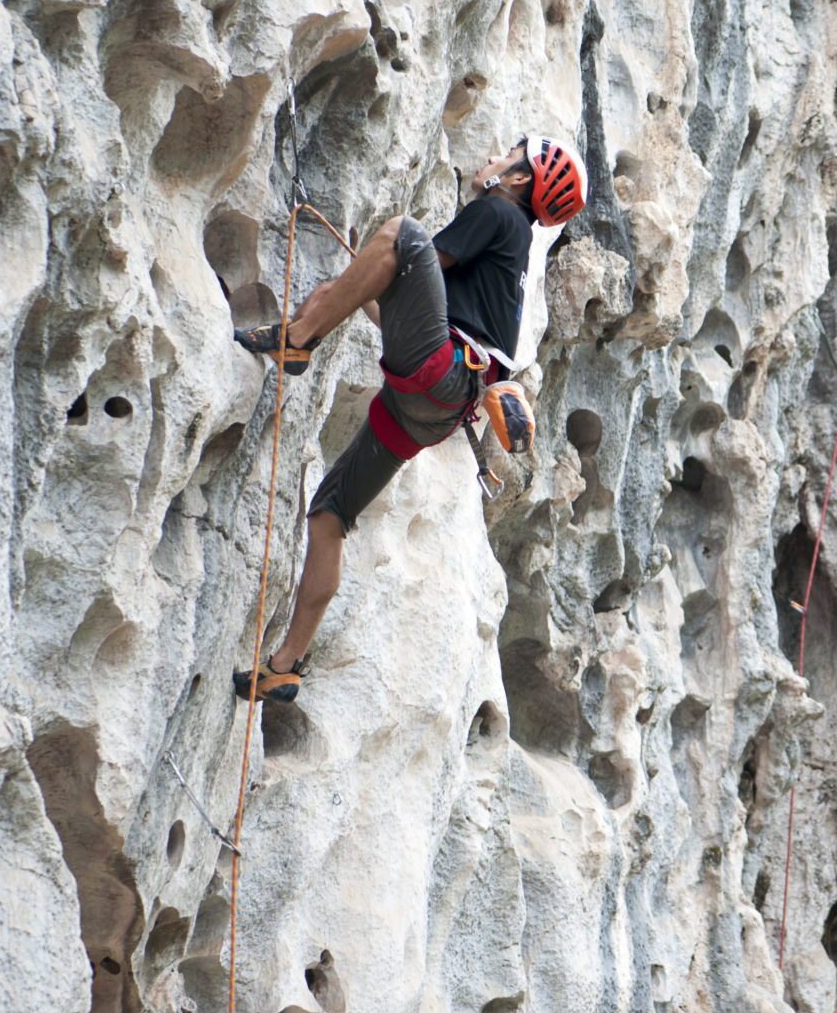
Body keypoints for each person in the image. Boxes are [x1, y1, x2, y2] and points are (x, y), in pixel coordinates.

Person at [228, 134, 587, 703]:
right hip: (434, 408)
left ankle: (295, 341)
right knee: (330, 513)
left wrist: (360, 274)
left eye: (507, 154)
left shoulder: (497, 212)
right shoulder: (515, 246)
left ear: (519, 179)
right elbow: (405, 302)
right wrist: (348, 287)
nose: (491, 154)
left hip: (441, 372)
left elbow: (412, 257)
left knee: (402, 232)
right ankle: (284, 666)